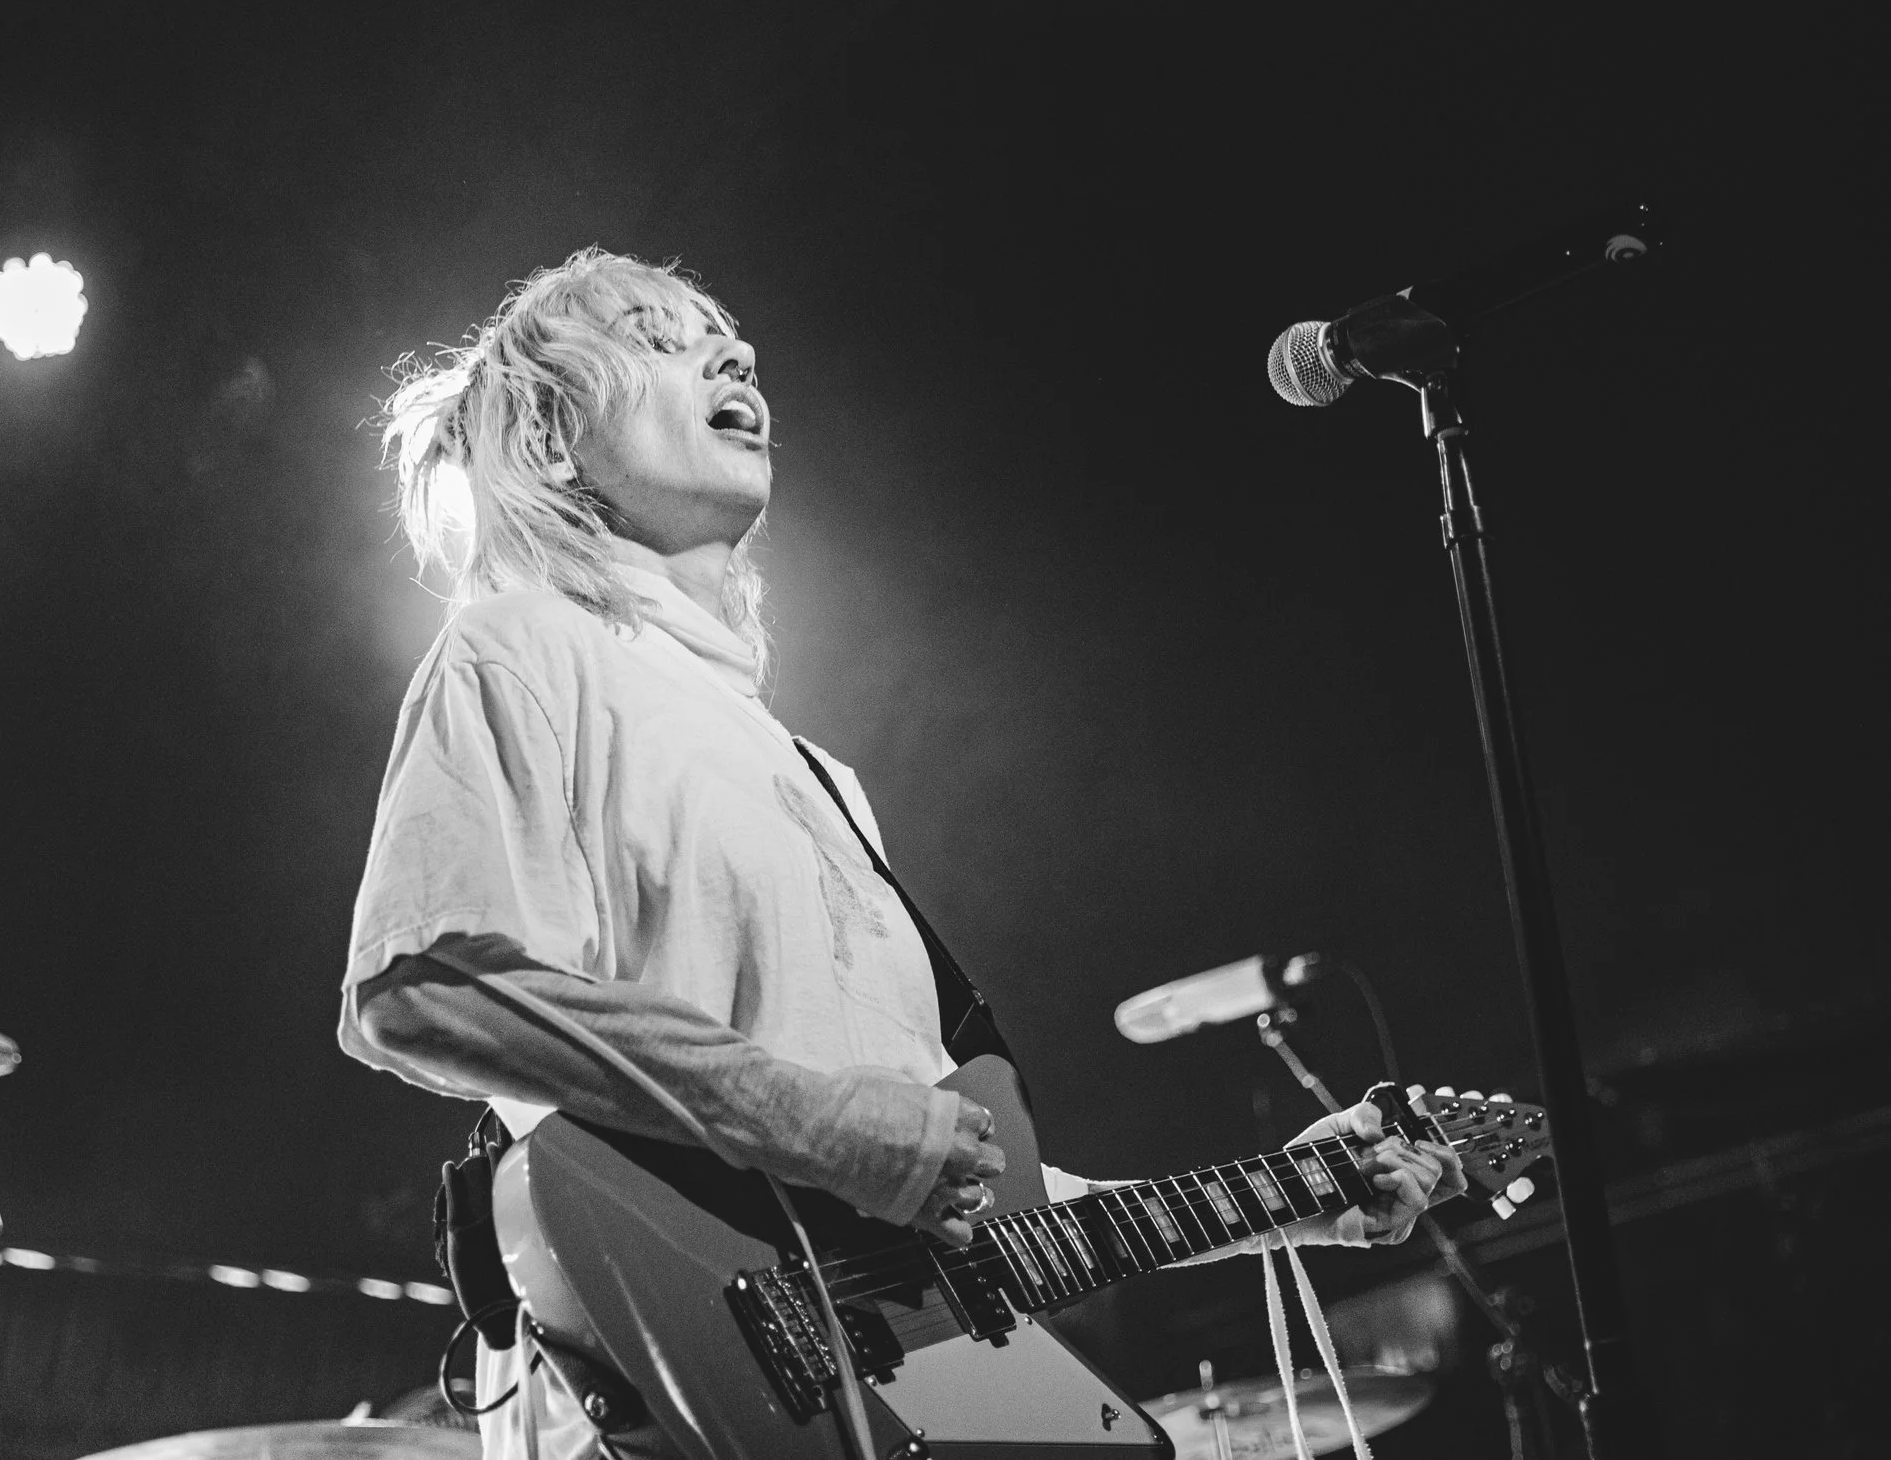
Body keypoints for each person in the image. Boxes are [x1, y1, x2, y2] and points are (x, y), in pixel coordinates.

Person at [338, 249, 1462, 1459]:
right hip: (663, 1395)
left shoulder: (816, 772)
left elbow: (945, 1202)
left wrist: (1286, 1201)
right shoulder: (520, 646)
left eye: (724, 333)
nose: (734, 353)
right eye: (655, 338)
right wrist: (817, 1120)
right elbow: (423, 983)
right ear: (552, 440)